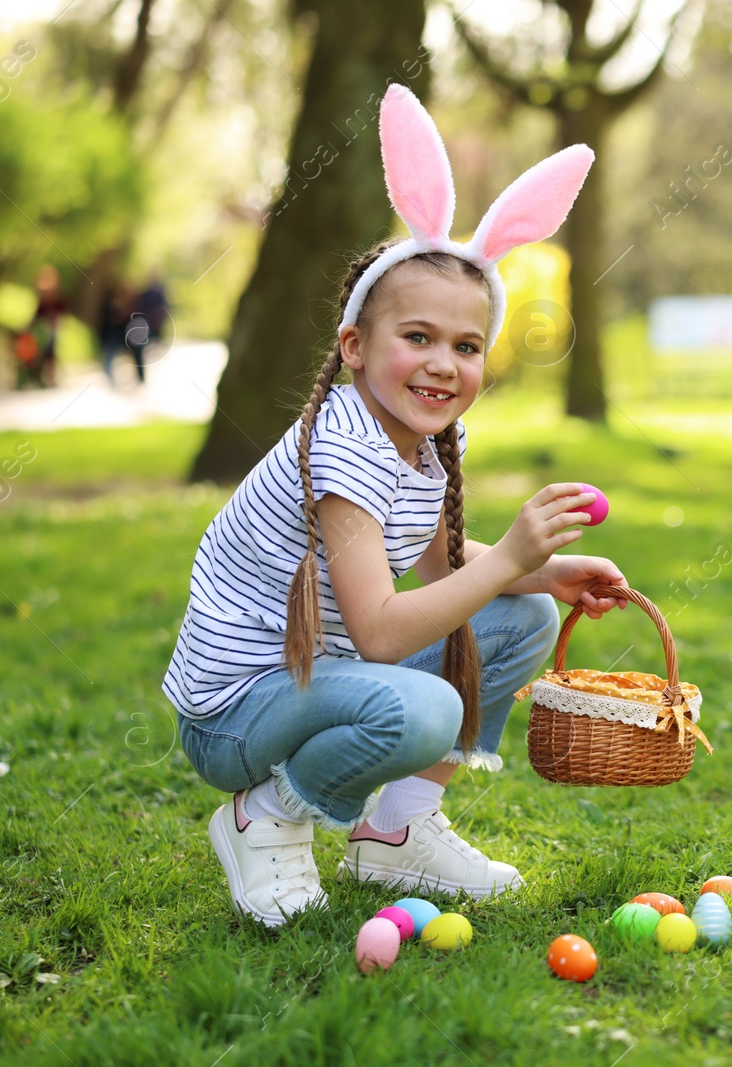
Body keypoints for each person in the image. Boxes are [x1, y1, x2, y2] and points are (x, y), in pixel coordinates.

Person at [162, 85, 609, 928]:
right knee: (427, 705)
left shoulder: (432, 439)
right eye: (418, 338)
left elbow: (443, 571)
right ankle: (266, 814)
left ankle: (396, 831)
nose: (444, 364)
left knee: (520, 618)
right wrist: (513, 556)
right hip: (237, 711)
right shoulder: (343, 448)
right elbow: (381, 631)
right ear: (356, 346)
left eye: (467, 346)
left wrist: (541, 572)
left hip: (315, 678)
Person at [26, 264, 66, 387]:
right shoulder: (41, 296)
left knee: (51, 349)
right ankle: (34, 373)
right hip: (41, 328)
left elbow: (62, 312)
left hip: (52, 327)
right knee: (35, 347)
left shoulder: (57, 296)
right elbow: (37, 314)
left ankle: (50, 374)